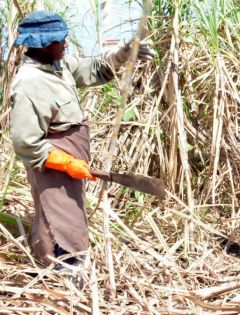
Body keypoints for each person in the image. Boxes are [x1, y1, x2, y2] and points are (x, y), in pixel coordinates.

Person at [9, 11, 155, 268]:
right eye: (59, 40)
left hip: (68, 160)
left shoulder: (58, 66)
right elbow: (25, 142)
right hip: (52, 165)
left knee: (70, 215)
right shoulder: (29, 83)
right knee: (57, 217)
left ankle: (69, 270)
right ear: (43, 44)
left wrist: (123, 53)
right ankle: (59, 276)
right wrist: (66, 163)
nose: (65, 43)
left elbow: (96, 68)